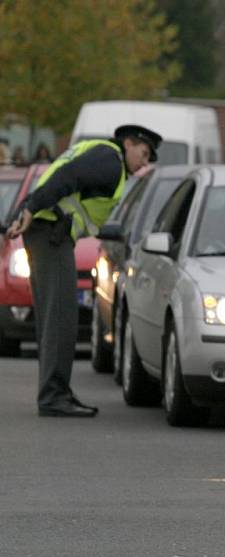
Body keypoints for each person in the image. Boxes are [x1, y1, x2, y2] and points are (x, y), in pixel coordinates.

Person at [4, 124, 162, 418]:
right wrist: (30, 208)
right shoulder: (110, 162)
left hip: (49, 232)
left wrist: (26, 208)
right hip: (50, 233)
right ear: (128, 144)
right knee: (61, 317)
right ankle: (53, 396)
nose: (144, 163)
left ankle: (57, 391)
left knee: (56, 316)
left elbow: (61, 177)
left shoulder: (102, 156)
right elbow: (66, 177)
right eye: (143, 153)